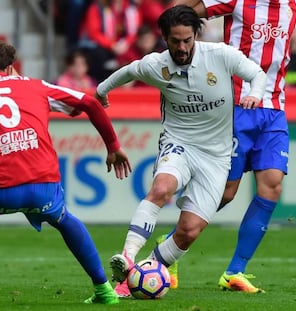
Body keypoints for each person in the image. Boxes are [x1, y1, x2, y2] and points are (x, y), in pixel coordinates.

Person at [170, 0, 296, 293]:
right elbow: (181, 15)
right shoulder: (237, 1)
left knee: (272, 185)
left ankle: (235, 271)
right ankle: (170, 247)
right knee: (225, 191)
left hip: (274, 109)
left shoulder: (295, 5)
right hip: (235, 106)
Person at [95, 5, 267, 297]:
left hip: (216, 155)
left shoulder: (221, 55)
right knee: (162, 188)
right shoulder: (155, 65)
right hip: (179, 143)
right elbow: (125, 72)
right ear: (165, 38)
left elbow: (257, 74)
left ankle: (141, 273)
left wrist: (254, 93)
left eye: (187, 40)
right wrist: (101, 92)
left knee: (189, 231)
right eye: (175, 40)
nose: (182, 46)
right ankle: (127, 257)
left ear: (196, 35)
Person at [0, 40, 132, 304]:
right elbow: (90, 103)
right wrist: (113, 146)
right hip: (44, 188)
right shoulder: (36, 86)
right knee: (63, 218)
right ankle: (104, 289)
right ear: (9, 68)